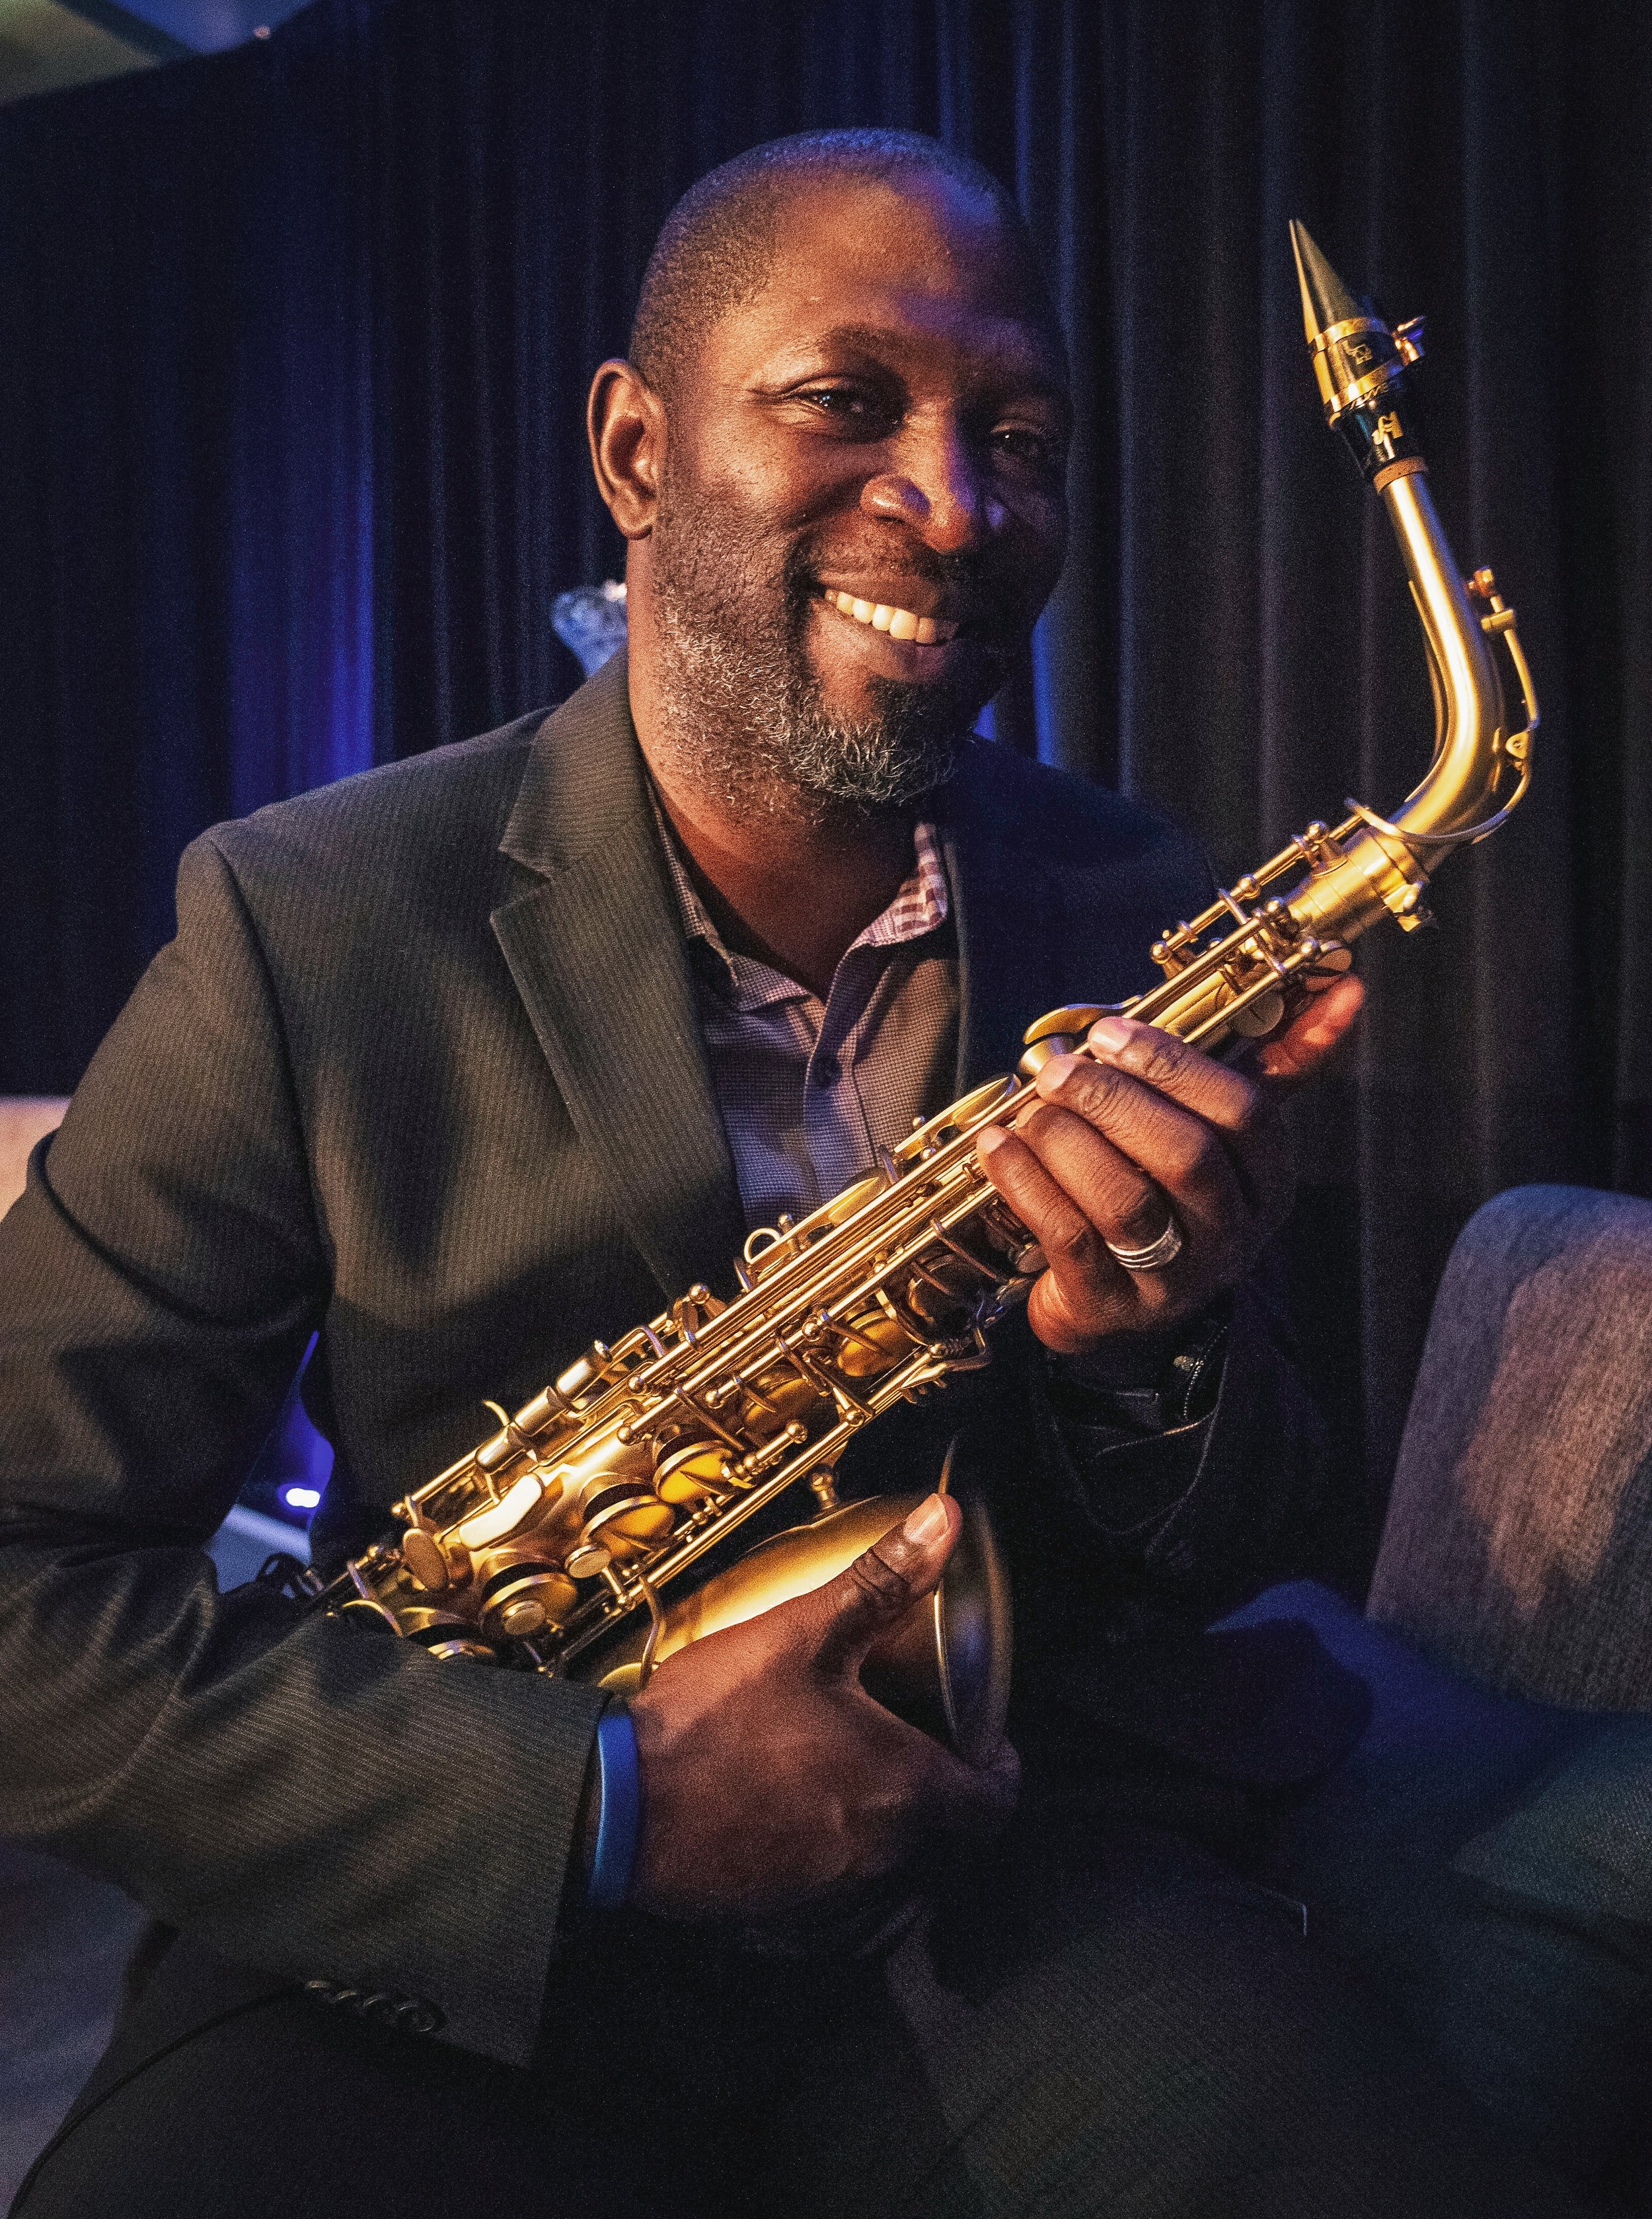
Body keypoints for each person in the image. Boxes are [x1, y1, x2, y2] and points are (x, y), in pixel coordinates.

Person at [0, 131, 1610, 2217]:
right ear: (635, 450)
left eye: (1017, 438)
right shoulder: (304, 919)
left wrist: (1152, 1343)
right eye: (845, 400)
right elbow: (25, 1583)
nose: (953, 504)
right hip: (468, 1905)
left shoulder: (1130, 889)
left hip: (1005, 1877)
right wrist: (600, 1804)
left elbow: (1241, 1535)